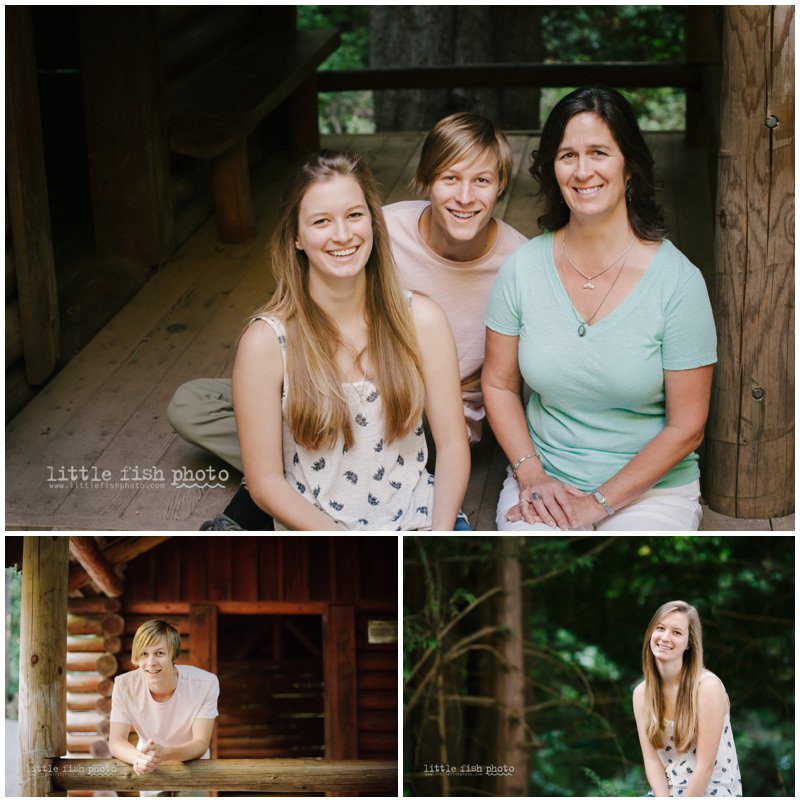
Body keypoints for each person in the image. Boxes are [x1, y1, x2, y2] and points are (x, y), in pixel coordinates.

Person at [167, 112, 527, 530]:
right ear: (426, 179)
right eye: (450, 178)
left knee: (383, 419)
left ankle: (264, 490)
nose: (465, 196)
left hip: (421, 407)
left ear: (501, 185)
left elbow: (511, 384)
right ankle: (281, 465)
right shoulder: (382, 228)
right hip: (329, 386)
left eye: (481, 180)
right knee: (199, 403)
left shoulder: (515, 266)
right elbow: (300, 310)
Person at [483, 86, 717, 532]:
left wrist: (597, 504)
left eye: (599, 153)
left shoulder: (679, 283)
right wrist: (531, 473)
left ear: (629, 166)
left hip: (651, 491)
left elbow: (687, 427)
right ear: (552, 169)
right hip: (544, 482)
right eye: (567, 155)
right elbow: (496, 384)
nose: (583, 170)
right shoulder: (521, 269)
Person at [231, 150, 469, 530]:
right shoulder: (266, 342)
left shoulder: (422, 320)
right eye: (322, 221)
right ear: (296, 237)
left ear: (373, 222)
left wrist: (438, 533)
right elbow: (264, 483)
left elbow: (454, 446)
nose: (343, 235)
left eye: (354, 216)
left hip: (420, 518)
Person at [632, 601, 743, 797]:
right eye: (660, 628)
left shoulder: (707, 687)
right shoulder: (642, 694)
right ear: (651, 633)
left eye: (677, 632)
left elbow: (705, 766)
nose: (665, 637)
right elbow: (652, 761)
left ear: (688, 643)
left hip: (711, 791)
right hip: (667, 793)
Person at [109, 619, 219, 795]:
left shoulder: (206, 683)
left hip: (193, 768)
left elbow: (201, 743)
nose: (151, 662)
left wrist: (166, 754)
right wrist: (139, 758)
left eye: (159, 653)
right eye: (144, 654)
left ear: (173, 655)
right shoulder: (123, 685)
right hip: (149, 768)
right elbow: (116, 741)